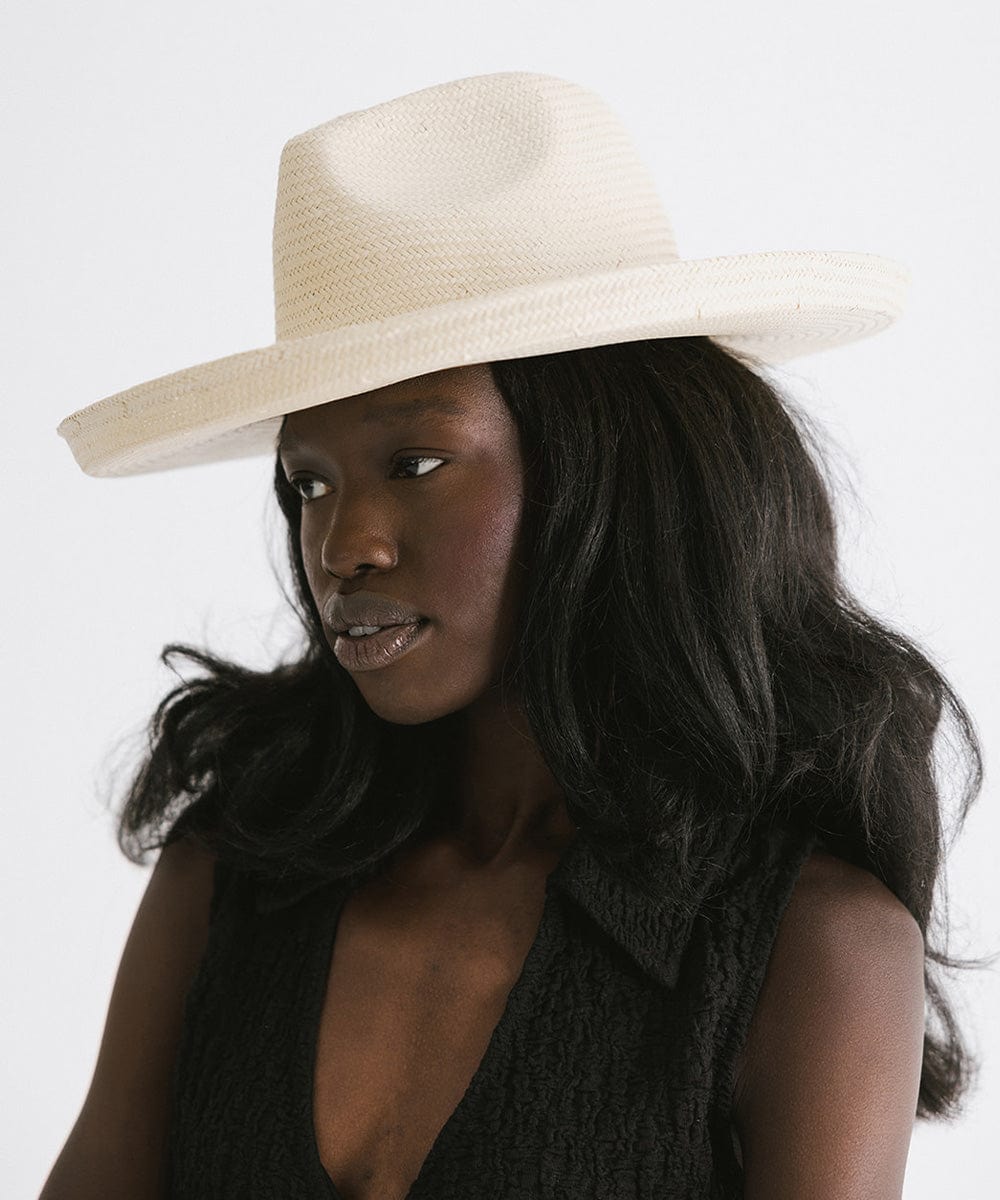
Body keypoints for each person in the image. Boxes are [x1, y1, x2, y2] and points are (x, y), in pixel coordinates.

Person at [41, 71, 986, 1200]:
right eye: (306, 482)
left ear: (606, 467)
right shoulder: (236, 872)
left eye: (417, 464)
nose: (342, 544)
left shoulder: (801, 947)